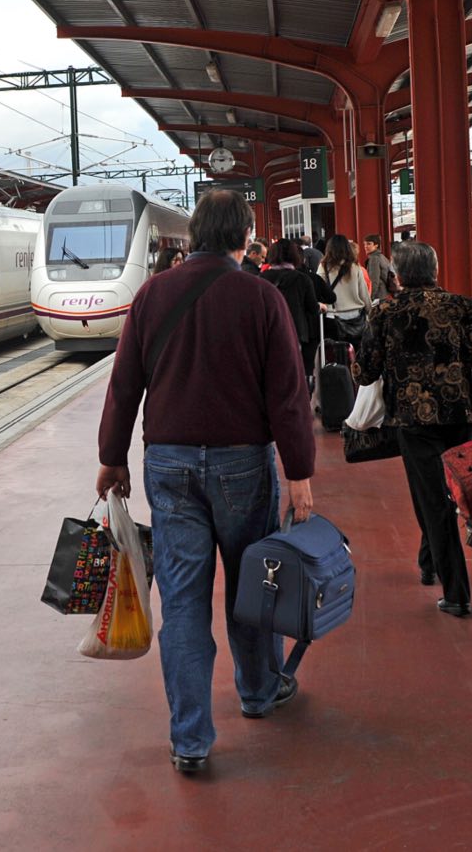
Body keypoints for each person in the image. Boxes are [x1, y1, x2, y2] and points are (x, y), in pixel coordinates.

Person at [96, 189, 316, 777]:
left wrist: (111, 457)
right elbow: (288, 395)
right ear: (244, 237)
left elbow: (125, 385)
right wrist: (298, 473)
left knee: (185, 600)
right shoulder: (261, 297)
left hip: (168, 465)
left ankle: (190, 739)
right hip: (243, 461)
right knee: (253, 584)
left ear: (194, 235)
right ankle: (258, 692)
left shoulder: (151, 295)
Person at [353, 242, 472, 616]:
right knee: (440, 494)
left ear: (399, 275)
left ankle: (456, 593)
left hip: (413, 417)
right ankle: (428, 563)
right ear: (436, 270)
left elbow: (366, 371)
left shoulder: (387, 310)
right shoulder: (463, 306)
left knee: (433, 499)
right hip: (460, 415)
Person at [262, 239, 335, 375]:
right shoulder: (302, 279)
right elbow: (312, 308)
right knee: (299, 372)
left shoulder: (261, 279)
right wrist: (321, 306)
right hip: (297, 331)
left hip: (268, 332)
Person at [318, 234, 372, 343]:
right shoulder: (355, 267)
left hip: (333, 317)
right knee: (356, 353)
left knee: (336, 354)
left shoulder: (323, 267)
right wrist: (370, 311)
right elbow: (364, 293)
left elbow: (318, 290)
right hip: (357, 317)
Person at [363, 233, 398, 302]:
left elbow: (374, 280)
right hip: (385, 293)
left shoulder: (374, 259)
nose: (366, 246)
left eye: (369, 244)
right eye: (364, 244)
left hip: (378, 295)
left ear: (376, 245)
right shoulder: (382, 257)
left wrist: (370, 297)